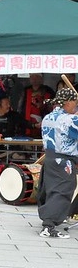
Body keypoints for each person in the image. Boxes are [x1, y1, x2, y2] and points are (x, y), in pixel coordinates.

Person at [37, 87, 78, 239]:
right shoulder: (69, 120)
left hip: (50, 159)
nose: (76, 105)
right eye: (75, 102)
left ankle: (50, 220)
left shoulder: (48, 117)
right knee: (62, 191)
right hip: (63, 160)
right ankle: (49, 226)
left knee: (52, 190)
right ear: (67, 103)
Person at [17, 73, 55, 138]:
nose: (34, 79)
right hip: (27, 122)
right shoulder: (25, 90)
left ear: (41, 79)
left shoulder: (48, 90)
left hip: (43, 120)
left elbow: (52, 106)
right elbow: (20, 106)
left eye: (37, 77)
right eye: (32, 77)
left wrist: (43, 105)